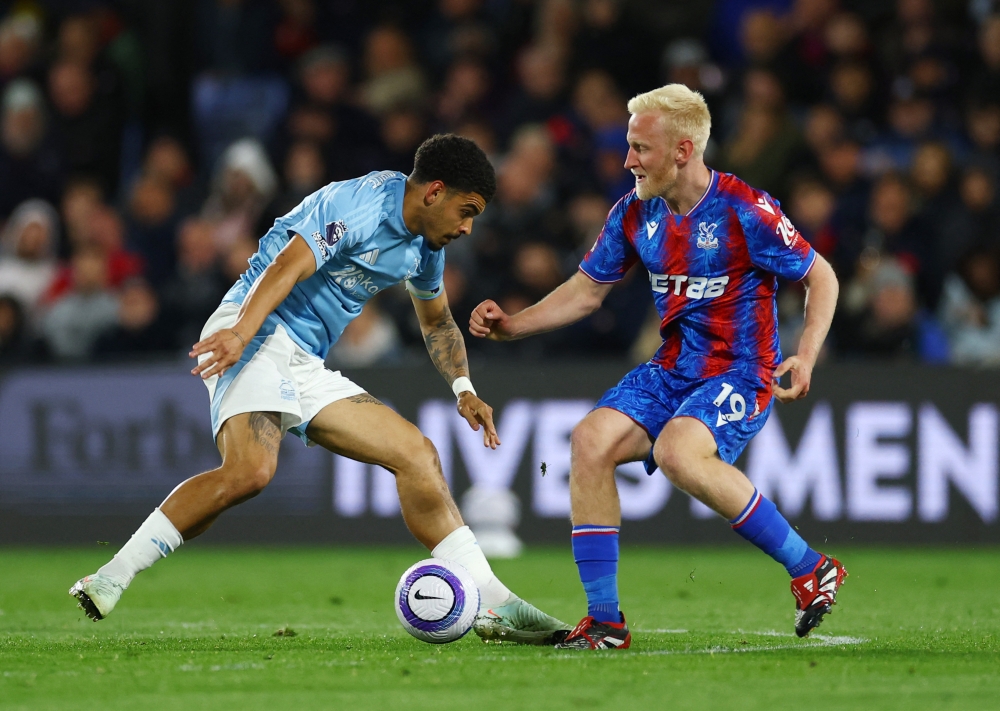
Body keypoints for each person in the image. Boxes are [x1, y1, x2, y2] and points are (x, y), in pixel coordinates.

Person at [70, 135, 568, 645]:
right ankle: (111, 576)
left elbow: (438, 321)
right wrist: (240, 333)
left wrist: (463, 388)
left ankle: (494, 600)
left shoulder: (426, 247)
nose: (467, 228)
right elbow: (288, 265)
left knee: (416, 454)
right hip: (255, 329)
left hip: (304, 359)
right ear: (434, 192)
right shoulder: (359, 204)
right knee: (250, 472)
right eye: (467, 212)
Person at [470, 85, 845, 650]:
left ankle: (811, 567)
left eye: (641, 148)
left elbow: (822, 276)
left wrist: (807, 354)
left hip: (739, 370)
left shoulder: (745, 209)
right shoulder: (634, 211)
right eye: (629, 146)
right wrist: (512, 325)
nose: (628, 160)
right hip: (672, 368)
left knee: (677, 452)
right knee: (590, 441)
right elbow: (586, 291)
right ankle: (605, 623)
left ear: (683, 151)